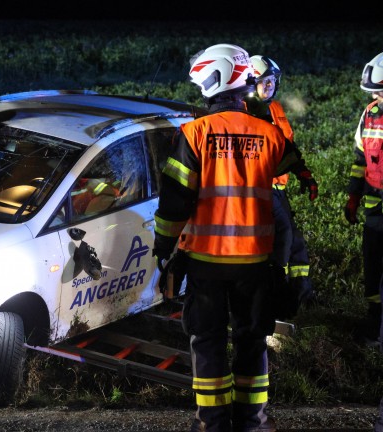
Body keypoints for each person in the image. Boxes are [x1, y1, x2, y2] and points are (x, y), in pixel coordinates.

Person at [153, 44, 317, 432]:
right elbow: (293, 164)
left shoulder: (194, 134)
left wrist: (163, 251)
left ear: (213, 81)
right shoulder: (268, 133)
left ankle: (212, 423)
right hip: (256, 264)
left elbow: (175, 204)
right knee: (251, 342)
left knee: (207, 344)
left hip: (207, 263)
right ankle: (252, 423)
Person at [245, 55, 318, 319]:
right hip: (259, 190)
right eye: (266, 82)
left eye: (273, 82)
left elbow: (286, 147)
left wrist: (303, 174)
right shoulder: (244, 111)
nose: (271, 87)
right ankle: (278, 294)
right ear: (251, 83)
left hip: (278, 187)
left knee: (294, 241)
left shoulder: (275, 109)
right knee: (280, 242)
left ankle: (302, 292)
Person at [344, 51, 383, 347]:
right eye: (374, 93)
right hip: (375, 206)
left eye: (380, 92)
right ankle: (374, 325)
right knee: (373, 268)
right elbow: (360, 158)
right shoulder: (370, 114)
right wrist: (353, 196)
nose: (376, 97)